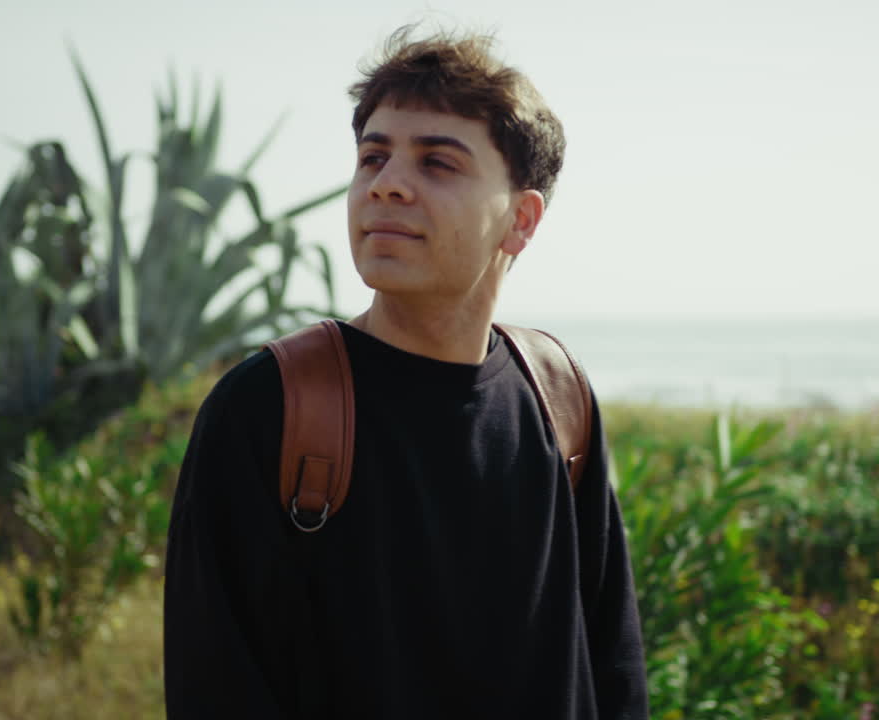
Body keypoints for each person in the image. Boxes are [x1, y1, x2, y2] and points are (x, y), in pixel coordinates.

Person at [164, 25, 649, 719]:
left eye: (437, 163)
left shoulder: (558, 396)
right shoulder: (269, 406)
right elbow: (214, 688)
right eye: (373, 158)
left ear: (521, 219)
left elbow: (615, 665)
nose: (388, 186)